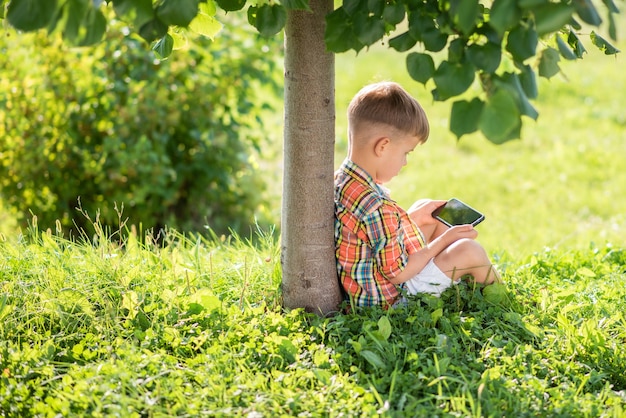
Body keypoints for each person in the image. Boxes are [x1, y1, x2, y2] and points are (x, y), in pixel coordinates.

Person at [334, 81, 500, 309]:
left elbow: (373, 236)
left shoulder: (343, 180)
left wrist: (412, 219)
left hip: (373, 281)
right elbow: (397, 273)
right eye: (405, 153)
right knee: (469, 250)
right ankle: (503, 302)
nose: (405, 162)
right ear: (382, 146)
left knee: (425, 212)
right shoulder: (376, 207)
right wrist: (445, 240)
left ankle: (460, 281)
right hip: (392, 301)